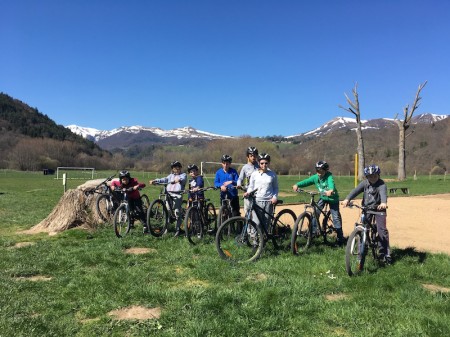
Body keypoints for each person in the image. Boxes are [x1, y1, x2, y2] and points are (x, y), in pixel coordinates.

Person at [341, 164, 391, 263]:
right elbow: (355, 191)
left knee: (382, 231)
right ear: (366, 177)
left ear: (378, 175)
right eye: (370, 176)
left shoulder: (381, 184)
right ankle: (361, 252)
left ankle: (384, 254)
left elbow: (383, 194)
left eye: (375, 176)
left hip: (379, 209)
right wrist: (347, 199)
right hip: (366, 208)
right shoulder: (365, 183)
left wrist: (383, 203)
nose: (372, 178)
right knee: (363, 228)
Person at [292, 160, 345, 246]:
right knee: (315, 213)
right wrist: (297, 185)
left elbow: (331, 183)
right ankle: (313, 233)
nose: (319, 172)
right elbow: (307, 181)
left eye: (321, 170)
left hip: (333, 199)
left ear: (325, 170)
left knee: (335, 217)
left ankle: (340, 238)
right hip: (323, 197)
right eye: (317, 170)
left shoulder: (329, 176)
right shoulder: (316, 177)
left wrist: (331, 190)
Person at [149, 161, 187, 237]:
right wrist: (155, 181)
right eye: (174, 168)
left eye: (177, 167)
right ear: (172, 169)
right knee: (167, 211)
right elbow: (164, 179)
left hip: (177, 194)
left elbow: (182, 179)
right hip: (169, 193)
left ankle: (178, 229)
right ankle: (166, 228)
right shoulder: (171, 175)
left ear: (180, 168)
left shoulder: (183, 175)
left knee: (177, 212)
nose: (176, 169)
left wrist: (178, 180)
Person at [244, 153, 278, 232]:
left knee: (266, 224)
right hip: (257, 201)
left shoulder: (272, 174)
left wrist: (275, 197)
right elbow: (251, 187)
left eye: (266, 163)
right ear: (259, 163)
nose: (264, 165)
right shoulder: (254, 174)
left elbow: (275, 187)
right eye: (262, 163)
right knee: (256, 223)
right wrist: (248, 193)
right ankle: (256, 242)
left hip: (268, 202)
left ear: (269, 163)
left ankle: (264, 241)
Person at [237, 146, 260, 214]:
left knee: (257, 213)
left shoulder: (259, 166)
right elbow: (240, 178)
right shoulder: (245, 167)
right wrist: (239, 184)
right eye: (251, 156)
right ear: (248, 157)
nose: (253, 157)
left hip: (257, 193)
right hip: (248, 193)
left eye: (255, 155)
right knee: (248, 213)